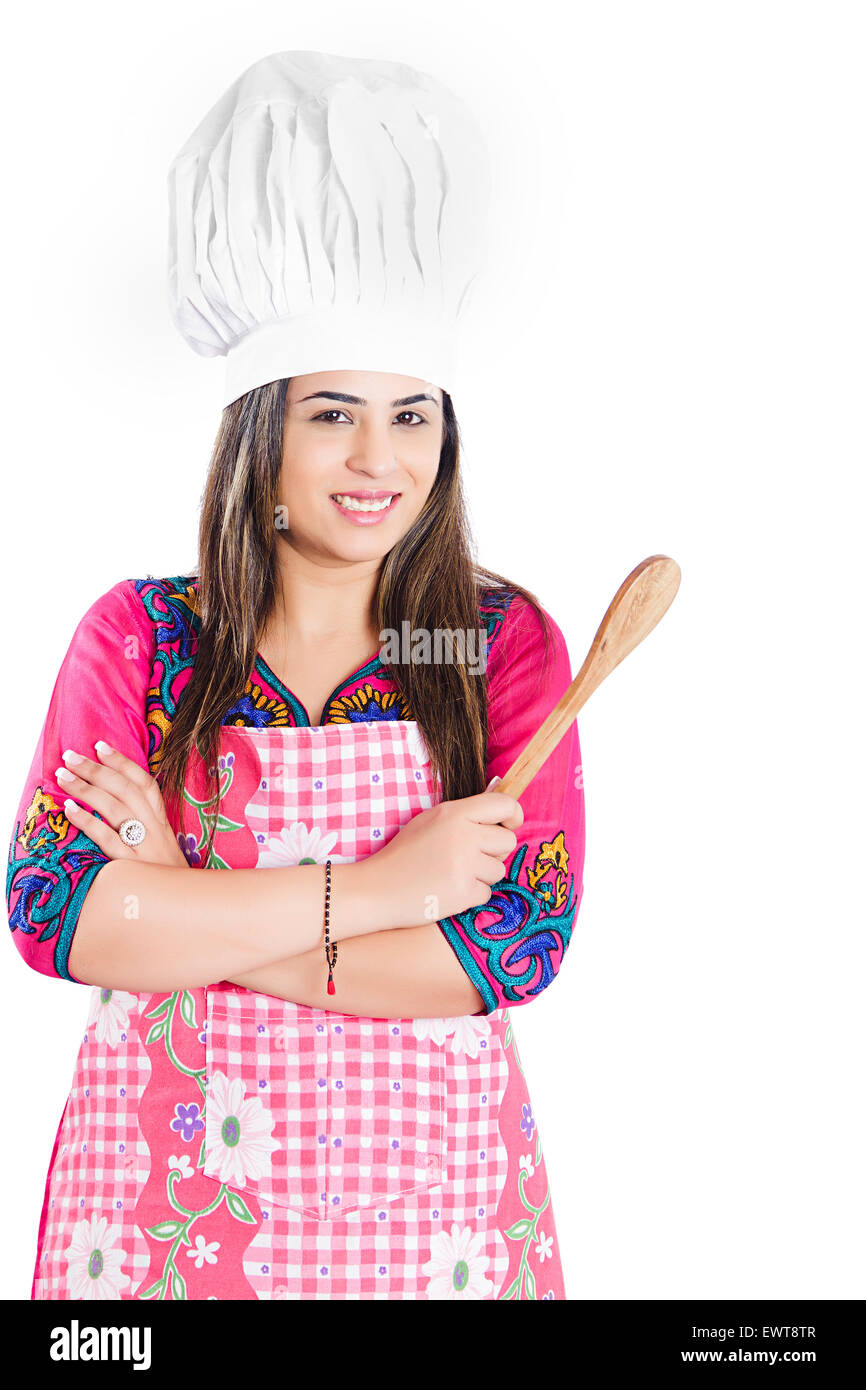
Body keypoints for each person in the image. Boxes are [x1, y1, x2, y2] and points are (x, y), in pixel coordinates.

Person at [6, 50, 586, 1301]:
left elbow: (512, 948)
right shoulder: (146, 640)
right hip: (158, 1213)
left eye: (411, 414)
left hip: (434, 1227)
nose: (379, 458)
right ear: (258, 434)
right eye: (331, 413)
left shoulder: (482, 647)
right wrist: (385, 887)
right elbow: (61, 918)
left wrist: (182, 907)